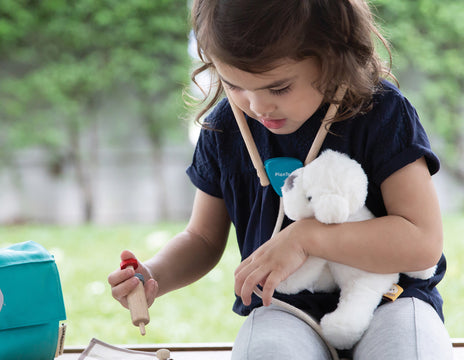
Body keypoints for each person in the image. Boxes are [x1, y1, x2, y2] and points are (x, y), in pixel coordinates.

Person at [108, 0, 453, 358]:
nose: (257, 107)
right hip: (286, 309)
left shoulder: (382, 111)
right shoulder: (225, 126)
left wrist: (307, 238)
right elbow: (202, 238)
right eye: (234, 84)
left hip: (391, 299)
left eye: (279, 88)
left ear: (332, 55)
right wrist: (153, 274)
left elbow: (422, 241)